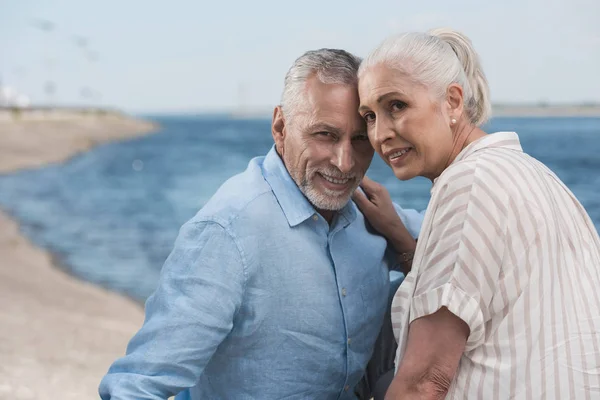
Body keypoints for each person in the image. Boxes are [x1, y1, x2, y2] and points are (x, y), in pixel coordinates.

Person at [98, 48, 423, 400]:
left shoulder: (371, 213)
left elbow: (466, 252)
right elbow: (136, 385)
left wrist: (401, 239)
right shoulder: (228, 232)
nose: (345, 163)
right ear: (281, 127)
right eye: (324, 135)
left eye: (360, 139)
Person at [353, 27, 600, 399]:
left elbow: (425, 383)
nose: (380, 134)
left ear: (453, 102)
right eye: (369, 116)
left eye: (397, 106)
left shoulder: (469, 185)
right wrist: (403, 240)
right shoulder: (538, 176)